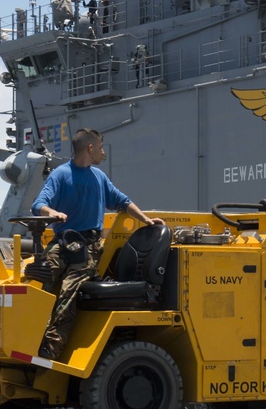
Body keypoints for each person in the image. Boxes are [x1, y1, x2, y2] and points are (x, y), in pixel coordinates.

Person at [31, 128, 165, 359]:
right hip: (63, 242)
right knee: (38, 278)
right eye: (101, 148)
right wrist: (52, 212)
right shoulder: (61, 175)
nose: (103, 153)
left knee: (68, 292)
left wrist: (145, 219)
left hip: (89, 247)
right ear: (90, 148)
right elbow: (39, 204)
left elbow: (121, 201)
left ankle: (48, 353)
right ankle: (25, 334)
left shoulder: (99, 178)